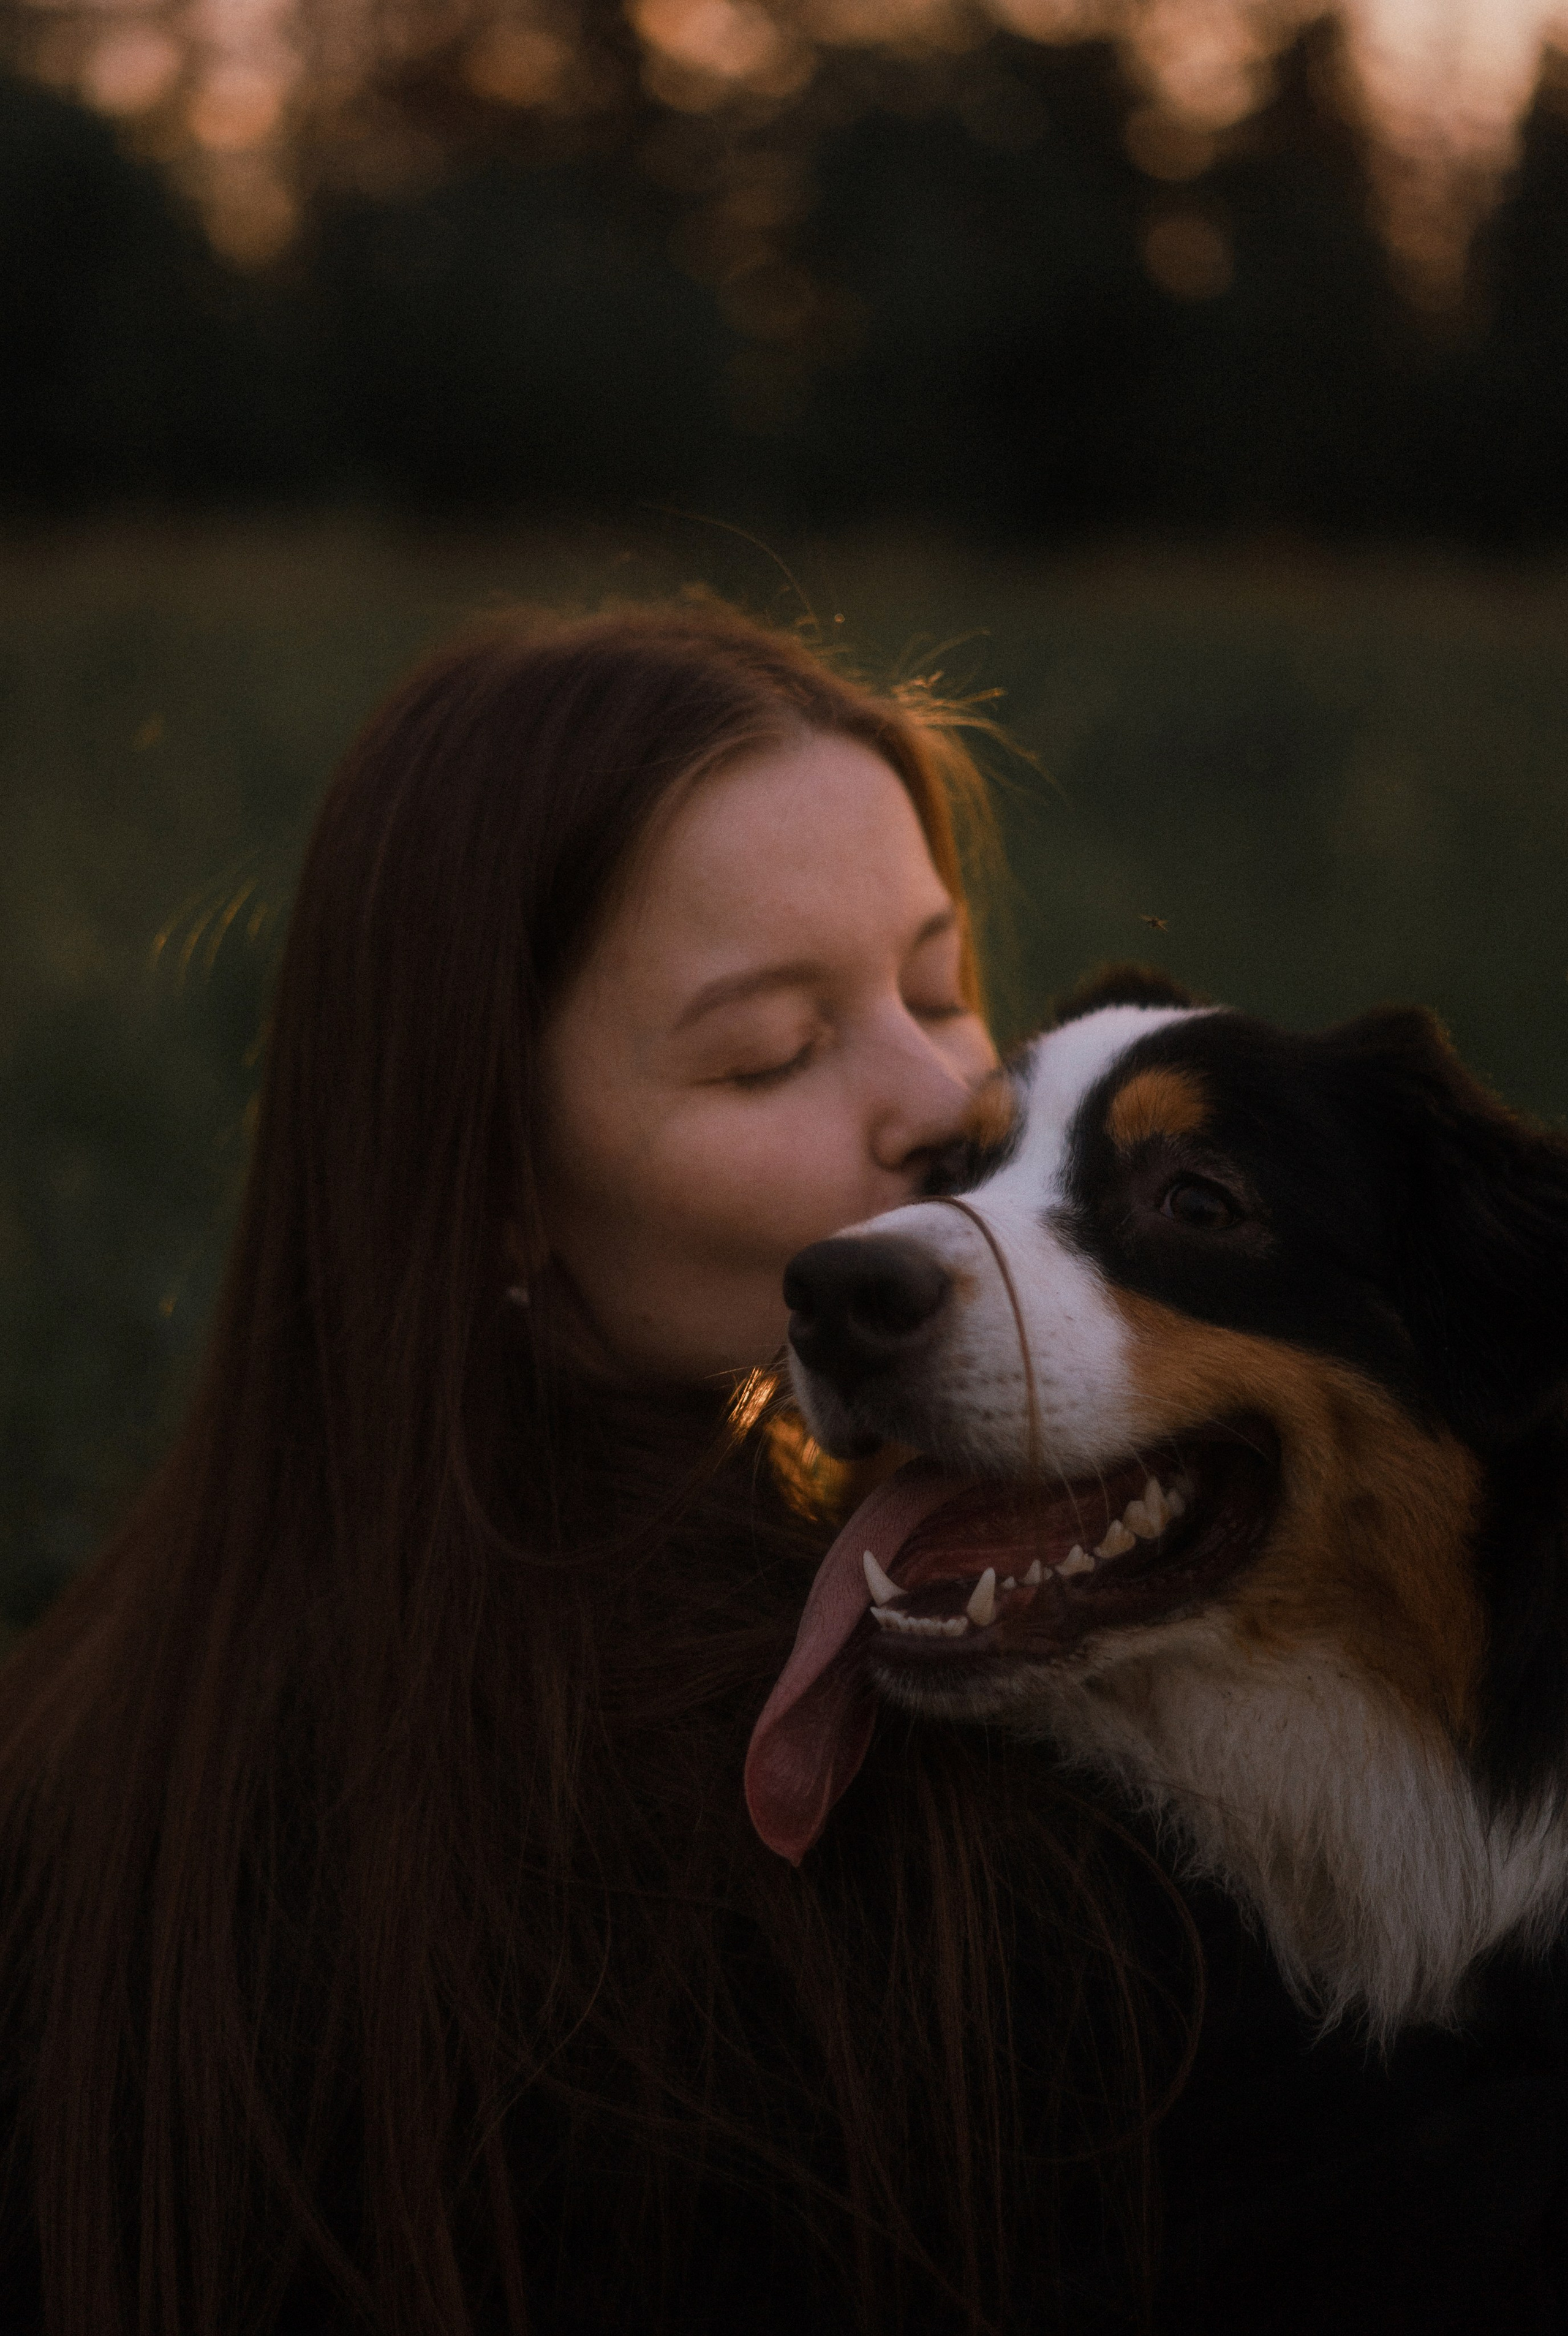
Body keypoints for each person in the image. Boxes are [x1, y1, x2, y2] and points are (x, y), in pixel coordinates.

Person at [0, 604, 1189, 2335]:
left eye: (938, 983)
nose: (943, 1090)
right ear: (490, 1179)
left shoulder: (111, 1714)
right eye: (770, 1051)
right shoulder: (875, 1788)